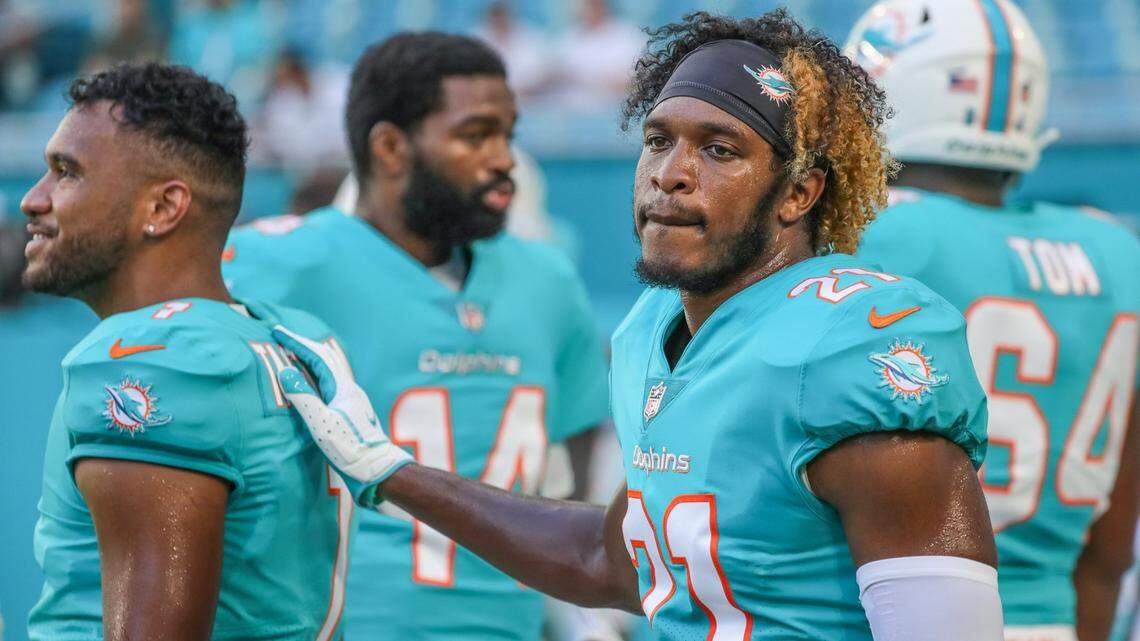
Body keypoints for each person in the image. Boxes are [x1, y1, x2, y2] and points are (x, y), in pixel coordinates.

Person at [273, 10, 1006, 641]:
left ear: (799, 193)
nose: (670, 173)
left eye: (719, 149)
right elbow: (608, 558)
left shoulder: (846, 345)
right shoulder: (655, 331)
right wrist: (393, 471)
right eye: (658, 140)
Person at [221, 33, 610, 641]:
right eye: (475, 135)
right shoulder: (274, 264)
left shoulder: (546, 278)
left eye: (508, 133)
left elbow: (579, 440)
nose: (505, 158)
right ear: (391, 147)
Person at [23, 62, 351, 640]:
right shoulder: (282, 333)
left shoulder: (150, 358)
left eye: (66, 172)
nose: (33, 199)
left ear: (162, 208)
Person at [846, 2, 1140, 641]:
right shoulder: (1117, 250)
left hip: (889, 618)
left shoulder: (878, 235)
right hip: (1056, 618)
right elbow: (1112, 548)